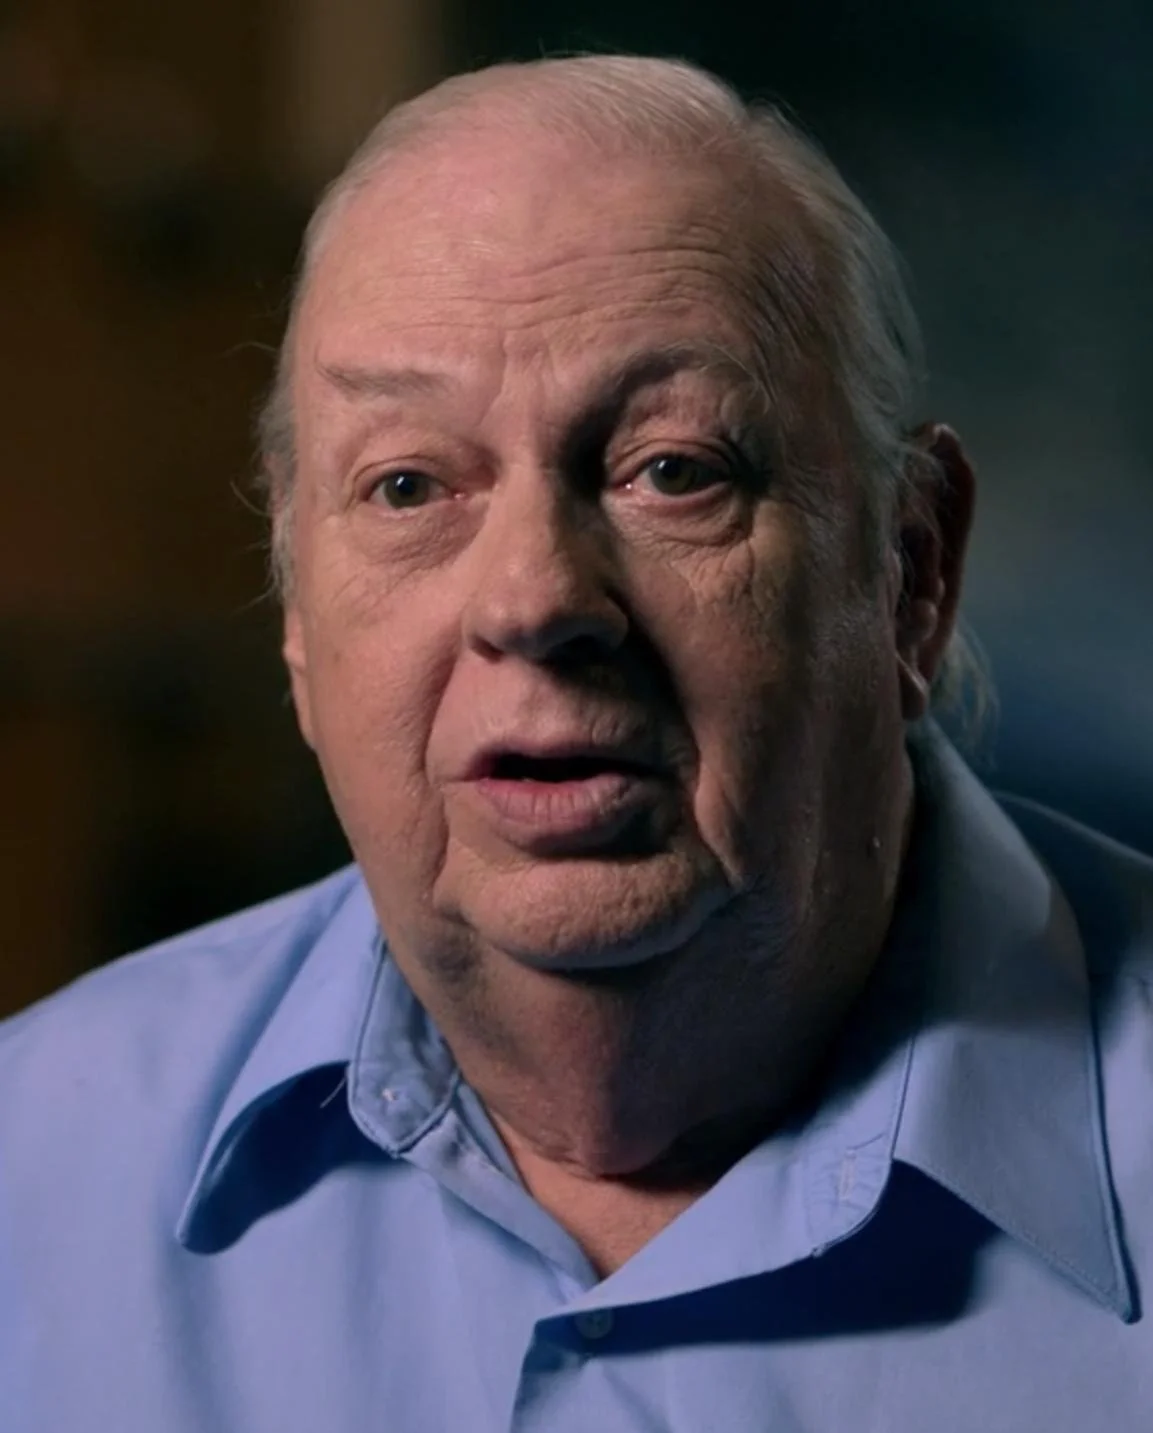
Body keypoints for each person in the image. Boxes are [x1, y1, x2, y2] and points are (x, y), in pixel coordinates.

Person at [2, 54, 1151, 1433]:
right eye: (410, 484)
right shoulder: (33, 1179)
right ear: (298, 617)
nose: (535, 600)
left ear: (911, 571)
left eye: (674, 470)